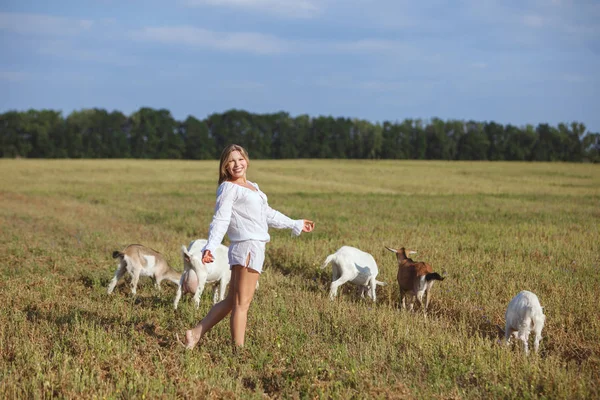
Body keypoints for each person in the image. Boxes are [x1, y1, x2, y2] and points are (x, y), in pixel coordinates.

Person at [183, 144, 315, 350]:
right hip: (247, 247)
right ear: (225, 166)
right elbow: (221, 219)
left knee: (231, 301)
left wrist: (295, 223)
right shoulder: (229, 187)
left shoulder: (253, 187)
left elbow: (267, 214)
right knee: (241, 304)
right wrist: (210, 246)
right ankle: (239, 352)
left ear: (247, 160)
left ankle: (194, 334)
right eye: (231, 161)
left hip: (253, 246)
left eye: (240, 159)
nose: (237, 164)